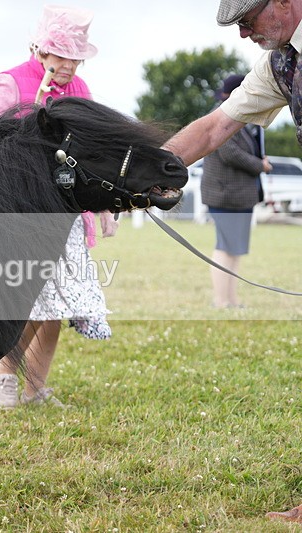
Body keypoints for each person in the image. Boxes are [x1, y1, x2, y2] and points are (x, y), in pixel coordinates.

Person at [163, 0, 302, 522]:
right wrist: (147, 173)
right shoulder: (282, 62)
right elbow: (215, 128)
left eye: (248, 21)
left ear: (285, 2)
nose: (244, 35)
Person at [0, 5, 118, 411]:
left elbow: (90, 155)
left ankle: (36, 388)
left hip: (66, 213)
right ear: (41, 50)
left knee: (61, 303)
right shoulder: (12, 83)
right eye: (62, 55)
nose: (69, 65)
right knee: (32, 300)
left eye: (76, 57)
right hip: (22, 211)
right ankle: (2, 376)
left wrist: (103, 209)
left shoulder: (80, 89)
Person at [201, 74, 272, 309]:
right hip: (225, 194)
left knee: (235, 249)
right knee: (225, 247)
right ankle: (221, 300)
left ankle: (231, 299)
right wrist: (259, 165)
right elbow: (230, 153)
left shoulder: (241, 118)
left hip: (237, 195)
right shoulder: (220, 116)